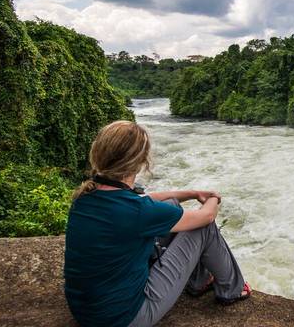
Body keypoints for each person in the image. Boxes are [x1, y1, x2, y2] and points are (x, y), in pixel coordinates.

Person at [64, 120, 251, 327]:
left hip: (86, 311)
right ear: (140, 162)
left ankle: (199, 281)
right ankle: (233, 289)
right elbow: (206, 217)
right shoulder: (138, 212)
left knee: (170, 204)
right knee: (203, 228)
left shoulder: (85, 196)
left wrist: (191, 194)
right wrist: (214, 197)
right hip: (126, 318)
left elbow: (146, 200)